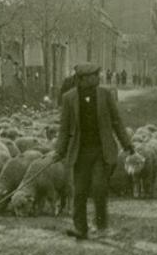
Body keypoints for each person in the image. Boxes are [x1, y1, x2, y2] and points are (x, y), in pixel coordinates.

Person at [53, 63, 134, 241]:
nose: (98, 78)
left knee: (99, 188)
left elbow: (117, 122)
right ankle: (81, 228)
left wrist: (127, 143)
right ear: (83, 79)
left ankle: (101, 225)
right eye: (93, 75)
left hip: (101, 151)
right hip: (80, 152)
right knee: (79, 191)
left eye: (97, 75)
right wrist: (59, 151)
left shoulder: (106, 95)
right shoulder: (69, 98)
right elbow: (64, 129)